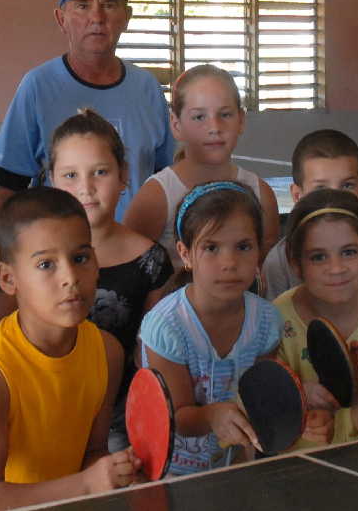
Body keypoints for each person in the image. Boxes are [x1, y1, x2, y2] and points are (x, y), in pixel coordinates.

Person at [0, 188, 140, 510]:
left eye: (80, 258)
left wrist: (115, 474)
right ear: (9, 279)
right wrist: (86, 484)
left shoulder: (107, 352)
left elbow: (92, 452)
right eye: (46, 265)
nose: (70, 277)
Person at [138, 182, 330, 475]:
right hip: (173, 473)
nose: (229, 263)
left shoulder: (266, 321)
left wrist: (300, 401)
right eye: (211, 248)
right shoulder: (167, 326)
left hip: (237, 468)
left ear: (259, 251)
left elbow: (260, 393)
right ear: (186, 254)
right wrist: (212, 415)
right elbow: (175, 417)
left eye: (243, 247)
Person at [0, 0, 173, 222]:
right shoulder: (38, 86)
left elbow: (166, 179)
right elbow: (7, 186)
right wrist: (2, 258)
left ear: (126, 17)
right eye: (83, 6)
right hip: (60, 254)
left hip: (134, 251)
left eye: (109, 5)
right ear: (61, 18)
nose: (97, 17)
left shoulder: (148, 89)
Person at [47, 109, 174, 450]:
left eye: (100, 172)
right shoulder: (32, 258)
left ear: (123, 176)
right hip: (45, 408)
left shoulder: (151, 262)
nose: (86, 188)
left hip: (122, 420)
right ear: (52, 180)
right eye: (70, 175)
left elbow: (152, 357)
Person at [274, 189, 358, 446]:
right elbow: (267, 413)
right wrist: (297, 395)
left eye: (349, 252)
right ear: (295, 262)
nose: (336, 269)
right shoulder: (275, 319)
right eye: (319, 257)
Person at [124, 65, 279, 271]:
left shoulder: (261, 194)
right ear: (176, 124)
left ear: (241, 120)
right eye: (199, 117)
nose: (214, 127)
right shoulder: (157, 195)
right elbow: (130, 271)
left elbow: (265, 272)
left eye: (225, 115)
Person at [261, 129, 358, 309]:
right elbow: (272, 326)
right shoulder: (280, 260)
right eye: (321, 189)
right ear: (298, 196)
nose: (335, 198)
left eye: (347, 185)